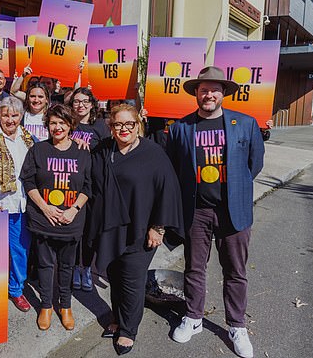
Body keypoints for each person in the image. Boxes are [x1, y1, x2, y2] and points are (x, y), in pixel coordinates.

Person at [167, 66, 264, 358]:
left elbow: (253, 164)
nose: (209, 94)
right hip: (196, 211)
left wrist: (235, 189)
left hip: (232, 210)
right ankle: (194, 317)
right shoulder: (181, 128)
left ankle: (236, 326)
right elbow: (174, 167)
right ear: (196, 93)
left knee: (235, 270)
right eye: (203, 89)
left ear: (223, 93)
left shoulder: (245, 124)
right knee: (194, 267)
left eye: (214, 89)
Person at [89, 103, 183, 355]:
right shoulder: (102, 150)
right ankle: (118, 319)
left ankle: (128, 331)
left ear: (137, 125)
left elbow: (167, 190)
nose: (123, 129)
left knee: (131, 280)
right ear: (110, 127)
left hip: (141, 229)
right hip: (110, 228)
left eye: (128, 124)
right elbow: (88, 175)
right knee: (115, 276)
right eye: (117, 124)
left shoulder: (153, 153)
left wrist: (158, 227)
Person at [20, 104, 91, 331]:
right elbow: (28, 181)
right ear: (47, 125)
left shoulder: (82, 152)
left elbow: (89, 186)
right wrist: (45, 208)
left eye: (62, 123)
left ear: (71, 125)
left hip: (71, 222)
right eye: (53, 123)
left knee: (67, 266)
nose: (57, 127)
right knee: (45, 264)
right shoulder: (38, 150)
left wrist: (73, 210)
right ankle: (47, 306)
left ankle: (66, 306)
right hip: (44, 220)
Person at [0, 96, 35, 312]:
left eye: (14, 115)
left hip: (21, 203)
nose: (10, 120)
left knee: (19, 249)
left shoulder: (28, 138)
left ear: (21, 116)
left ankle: (16, 289)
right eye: (5, 115)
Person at [67, 87, 110, 292]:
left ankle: (86, 268)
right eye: (76, 101)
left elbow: (108, 153)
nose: (80, 105)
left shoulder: (100, 126)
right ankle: (74, 266)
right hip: (71, 183)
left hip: (93, 184)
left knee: (90, 230)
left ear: (92, 104)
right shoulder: (68, 124)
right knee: (74, 228)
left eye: (85, 101)